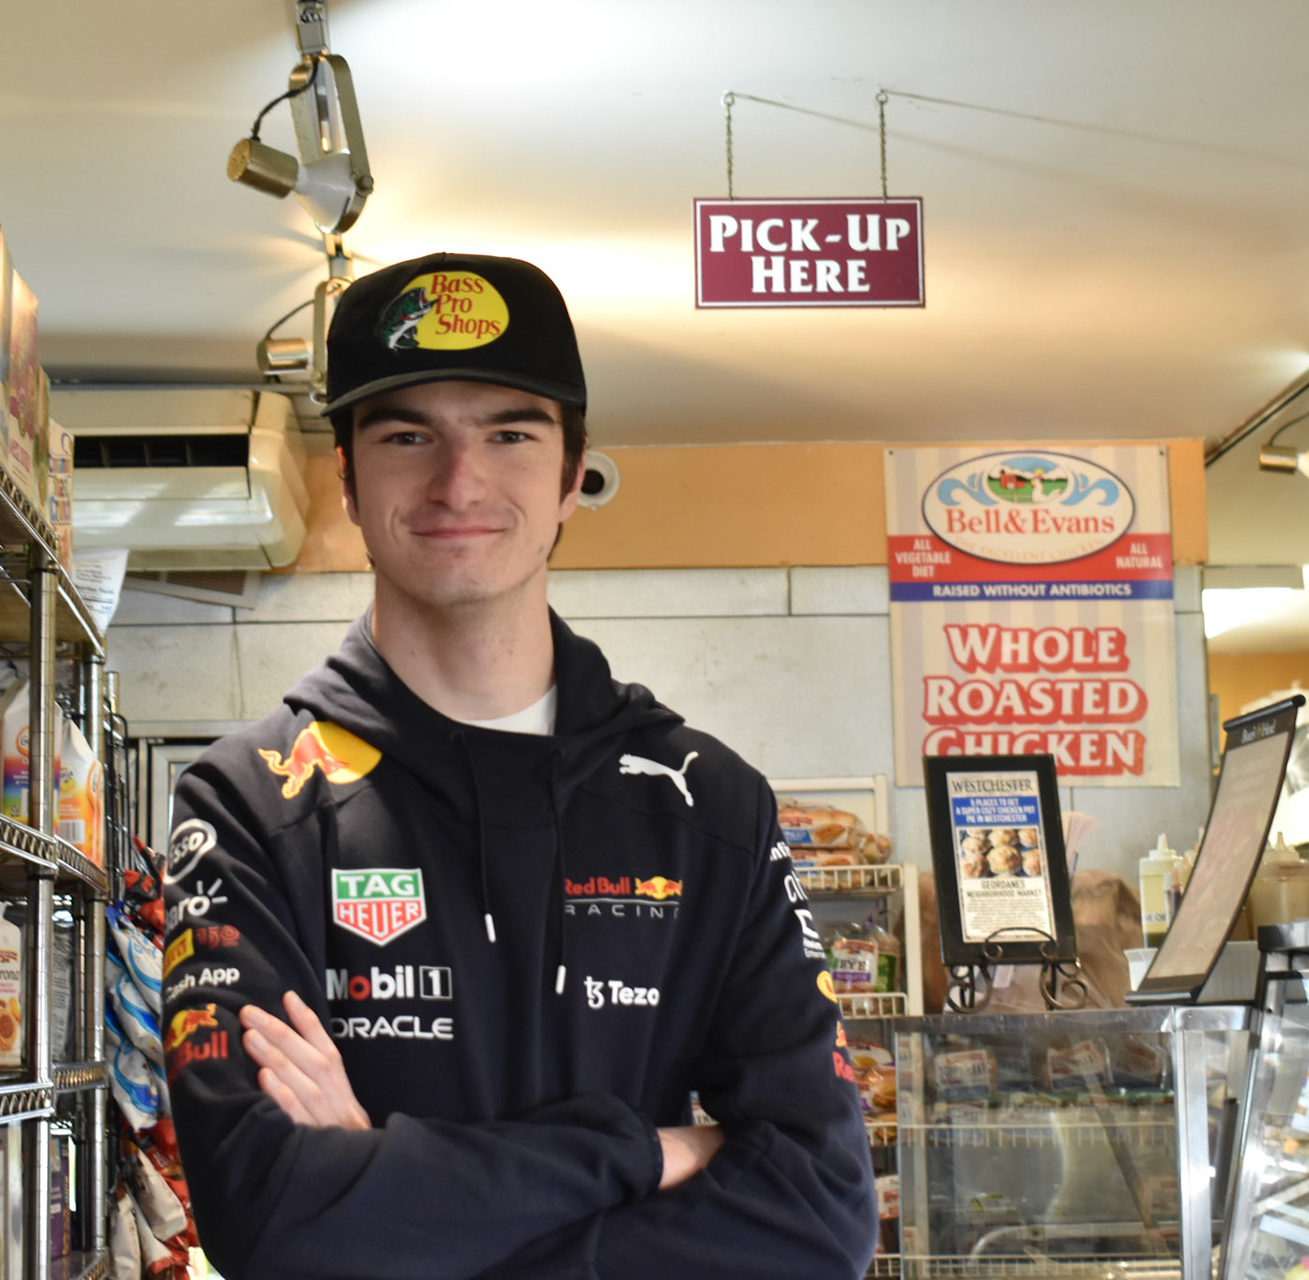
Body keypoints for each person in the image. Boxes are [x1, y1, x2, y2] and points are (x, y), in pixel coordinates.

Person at [161, 252, 875, 1279]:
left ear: (572, 473)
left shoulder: (707, 806)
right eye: (409, 434)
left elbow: (821, 1212)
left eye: (510, 432)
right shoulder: (246, 802)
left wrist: (388, 1188)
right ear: (349, 480)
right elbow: (271, 1219)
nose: (460, 480)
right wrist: (649, 1149)